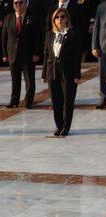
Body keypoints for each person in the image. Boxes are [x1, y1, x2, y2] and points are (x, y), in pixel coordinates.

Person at [42, 8, 82, 136]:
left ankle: (66, 127)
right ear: (54, 20)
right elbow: (46, 55)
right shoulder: (50, 35)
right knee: (56, 100)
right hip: (52, 71)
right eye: (57, 17)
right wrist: (44, 74)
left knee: (67, 100)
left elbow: (77, 56)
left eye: (62, 17)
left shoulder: (72, 34)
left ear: (67, 19)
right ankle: (59, 126)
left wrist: (77, 74)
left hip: (68, 71)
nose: (60, 20)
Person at [2, 0, 42, 108]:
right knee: (15, 79)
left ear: (26, 3)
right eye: (16, 3)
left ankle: (28, 101)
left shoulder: (33, 17)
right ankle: (14, 100)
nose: (18, 5)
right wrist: (5, 54)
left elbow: (38, 36)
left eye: (21, 2)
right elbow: (4, 38)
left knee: (29, 78)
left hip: (28, 54)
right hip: (13, 54)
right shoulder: (8, 18)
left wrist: (37, 53)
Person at [92, 0, 106, 109]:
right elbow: (96, 27)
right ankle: (104, 98)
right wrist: (94, 46)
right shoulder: (101, 7)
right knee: (103, 74)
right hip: (103, 47)